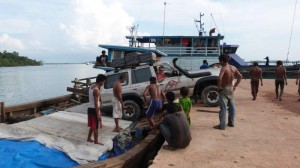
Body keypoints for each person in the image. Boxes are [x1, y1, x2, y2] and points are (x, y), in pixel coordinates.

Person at [214, 54, 242, 130]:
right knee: (232, 107)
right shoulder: (233, 67)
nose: (220, 63)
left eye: (220, 61)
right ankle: (231, 123)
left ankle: (222, 126)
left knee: (223, 108)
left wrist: (219, 87)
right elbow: (240, 76)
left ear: (222, 61)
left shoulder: (224, 68)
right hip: (231, 88)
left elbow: (219, 78)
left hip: (224, 88)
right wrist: (235, 86)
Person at [87, 74, 106, 145]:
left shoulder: (92, 86)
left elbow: (97, 96)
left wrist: (100, 100)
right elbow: (95, 104)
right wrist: (98, 115)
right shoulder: (96, 91)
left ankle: (89, 138)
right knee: (96, 127)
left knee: (92, 125)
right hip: (95, 110)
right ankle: (96, 141)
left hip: (90, 109)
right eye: (103, 82)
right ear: (101, 81)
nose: (103, 83)